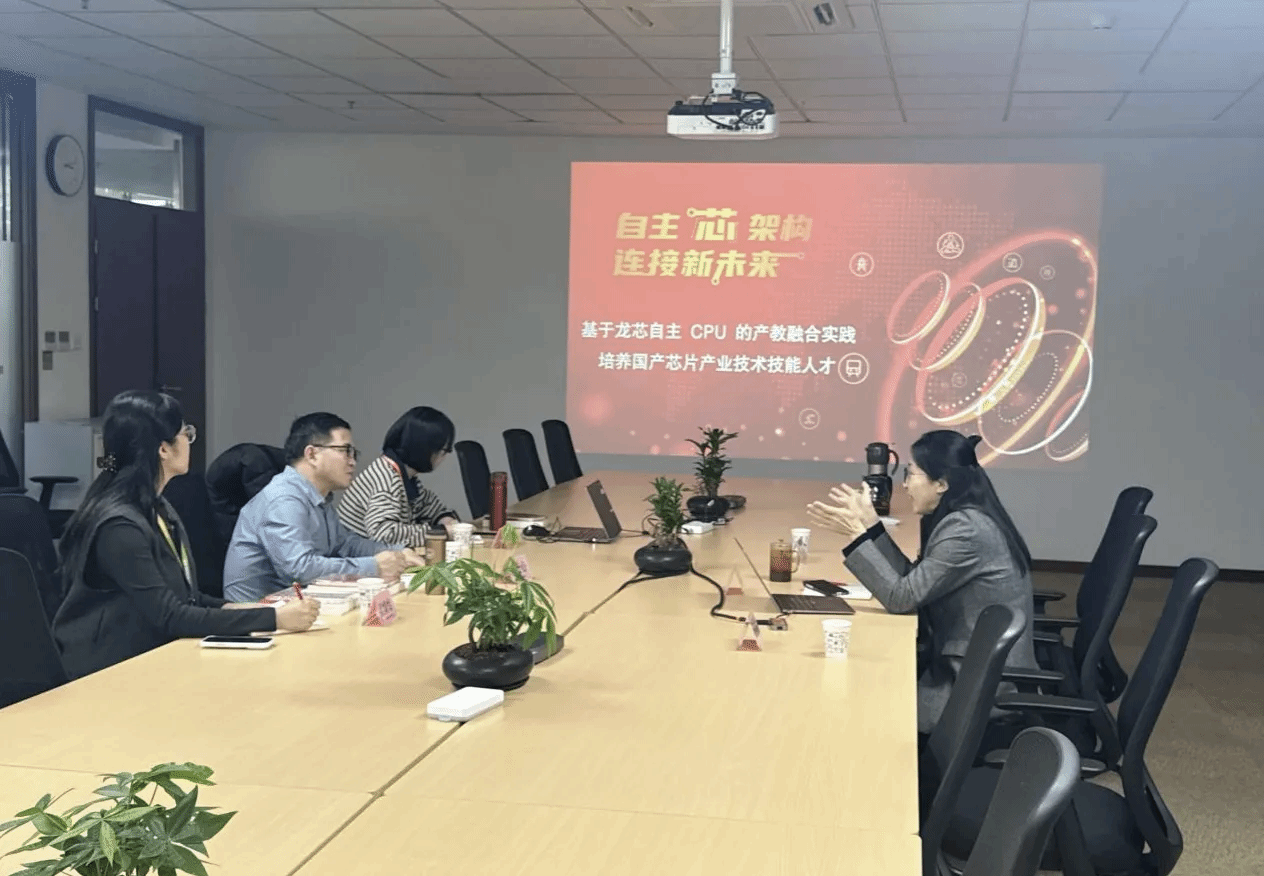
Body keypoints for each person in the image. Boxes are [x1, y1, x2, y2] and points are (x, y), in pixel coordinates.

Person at [52, 391, 321, 680]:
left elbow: (187, 599)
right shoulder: (119, 525)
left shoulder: (157, 508)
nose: (190, 441)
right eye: (185, 433)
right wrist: (274, 618)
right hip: (109, 671)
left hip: (151, 655)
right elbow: (171, 616)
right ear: (163, 449)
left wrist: (248, 607)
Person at [807, 430, 1037, 735]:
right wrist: (872, 525)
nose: (903, 485)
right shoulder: (961, 518)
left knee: (860, 701)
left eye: (911, 474)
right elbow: (911, 582)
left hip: (975, 685)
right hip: (962, 664)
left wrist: (857, 536)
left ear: (942, 484)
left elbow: (900, 598)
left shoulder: (965, 530)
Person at [223, 412, 425, 603]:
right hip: (258, 614)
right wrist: (374, 566)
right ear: (312, 454)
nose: (353, 462)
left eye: (354, 453)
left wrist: (399, 552)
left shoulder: (318, 497)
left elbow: (346, 545)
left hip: (297, 605)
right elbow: (299, 570)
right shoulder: (283, 499)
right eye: (345, 451)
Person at [338, 406, 461, 545]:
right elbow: (384, 534)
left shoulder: (403, 475)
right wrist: (440, 532)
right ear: (424, 448)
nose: (445, 456)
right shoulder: (387, 481)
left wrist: (446, 519)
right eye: (444, 450)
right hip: (357, 555)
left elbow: (427, 504)